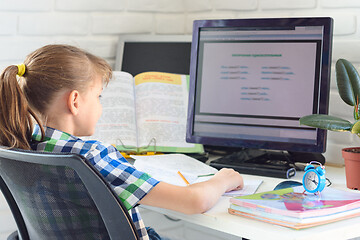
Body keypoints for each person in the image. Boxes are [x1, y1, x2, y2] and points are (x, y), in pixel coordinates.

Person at [0, 44, 243, 240]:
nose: (100, 104)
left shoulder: (18, 144)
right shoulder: (90, 156)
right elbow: (194, 201)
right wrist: (223, 179)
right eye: (98, 96)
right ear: (75, 101)